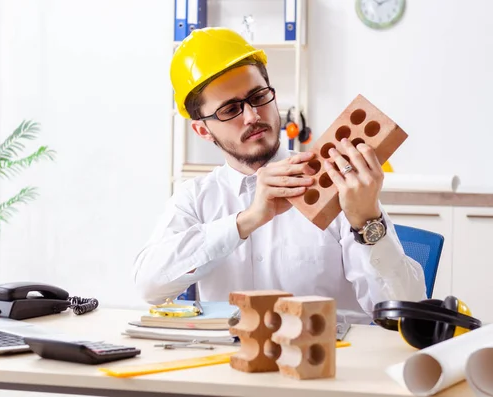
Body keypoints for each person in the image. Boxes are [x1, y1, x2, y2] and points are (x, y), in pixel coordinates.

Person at [132, 27, 426, 324]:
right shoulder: (196, 198)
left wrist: (367, 221)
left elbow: (408, 312)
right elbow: (149, 286)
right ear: (203, 130)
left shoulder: (334, 182)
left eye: (258, 96)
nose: (252, 116)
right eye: (230, 109)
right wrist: (247, 220)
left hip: (329, 362)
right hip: (231, 365)